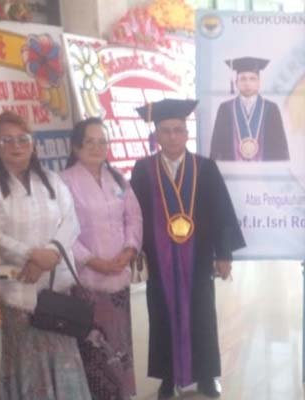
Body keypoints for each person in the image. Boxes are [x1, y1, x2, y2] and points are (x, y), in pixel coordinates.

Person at [132, 99, 246, 399]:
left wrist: (224, 254)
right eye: (166, 130)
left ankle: (207, 376)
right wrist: (135, 251)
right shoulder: (143, 170)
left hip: (198, 256)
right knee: (161, 315)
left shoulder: (205, 168)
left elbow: (221, 211)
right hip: (159, 259)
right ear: (157, 135)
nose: (172, 137)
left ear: (186, 134)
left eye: (178, 130)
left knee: (202, 314)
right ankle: (167, 378)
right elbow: (134, 214)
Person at [0, 111, 91, 400]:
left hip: (56, 286)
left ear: (33, 143)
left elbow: (71, 222)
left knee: (63, 359)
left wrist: (49, 254)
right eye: (7, 140)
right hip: (15, 283)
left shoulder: (52, 180)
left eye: (23, 139)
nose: (16, 146)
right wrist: (31, 254)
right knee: (26, 361)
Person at [60, 118, 142, 400]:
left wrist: (129, 250)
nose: (97, 147)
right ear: (76, 147)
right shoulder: (64, 181)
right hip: (87, 283)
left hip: (119, 280)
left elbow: (134, 217)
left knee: (121, 345)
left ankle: (124, 394)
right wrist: (95, 262)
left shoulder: (117, 178)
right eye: (89, 142)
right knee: (95, 348)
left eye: (102, 142)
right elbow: (63, 230)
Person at [209, 56, 289, 161]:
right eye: (243, 79)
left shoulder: (271, 108)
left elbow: (280, 148)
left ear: (259, 83)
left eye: (252, 79)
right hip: (232, 168)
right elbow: (217, 146)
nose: (247, 83)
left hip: (265, 169)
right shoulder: (225, 108)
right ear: (236, 83)